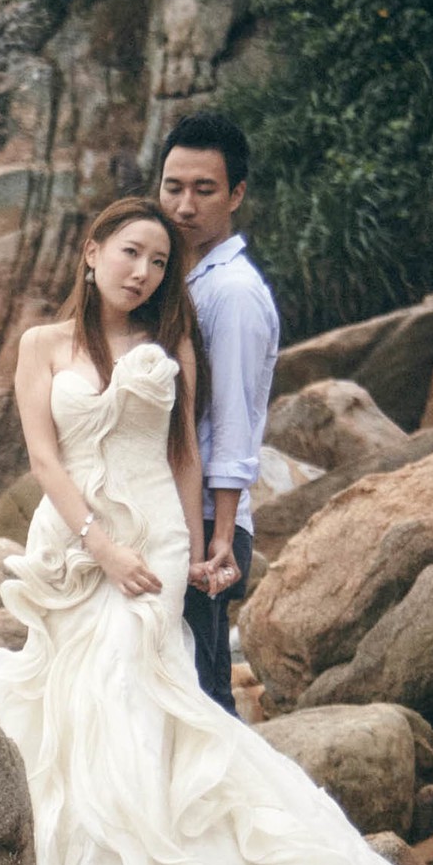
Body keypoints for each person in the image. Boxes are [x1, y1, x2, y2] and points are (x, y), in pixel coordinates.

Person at [0, 195, 433, 865]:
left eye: (158, 261)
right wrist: (99, 545)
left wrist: (201, 548)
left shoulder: (173, 340)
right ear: (89, 254)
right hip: (77, 534)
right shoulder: (41, 345)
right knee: (68, 698)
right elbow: (44, 457)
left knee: (130, 681)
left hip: (154, 536)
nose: (142, 272)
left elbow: (183, 456)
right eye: (129, 253)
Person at [159, 111, 279, 714]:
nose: (184, 205)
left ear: (235, 194)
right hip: (176, 518)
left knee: (204, 703)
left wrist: (219, 536)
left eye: (204, 190)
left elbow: (232, 424)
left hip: (206, 526)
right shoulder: (182, 281)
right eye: (172, 186)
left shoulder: (230, 292)